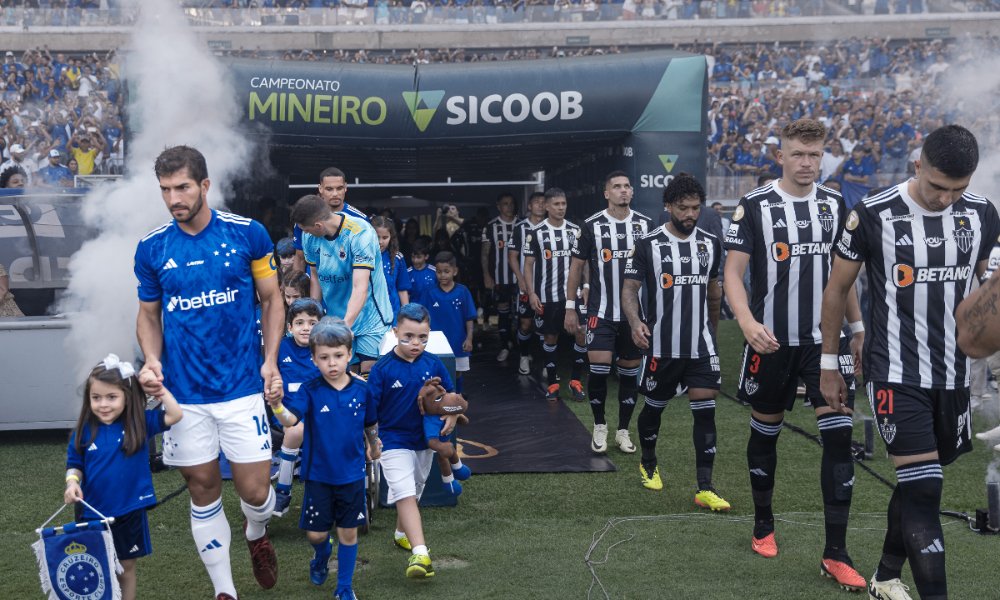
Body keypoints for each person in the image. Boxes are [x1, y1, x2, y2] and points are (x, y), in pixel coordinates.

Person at [821, 124, 1000, 600]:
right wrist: (828, 364)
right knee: (925, 491)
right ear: (917, 165)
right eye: (938, 186)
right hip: (895, 373)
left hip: (956, 376)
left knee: (919, 482)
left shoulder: (982, 214)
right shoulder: (873, 213)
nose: (946, 199)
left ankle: (884, 575)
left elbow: (989, 291)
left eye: (957, 189)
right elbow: (838, 290)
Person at [134, 145, 284, 600]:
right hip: (185, 396)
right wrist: (152, 359)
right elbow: (147, 315)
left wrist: (271, 360)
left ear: (204, 185)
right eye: (165, 190)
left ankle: (256, 531)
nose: (174, 198)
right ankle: (225, 591)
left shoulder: (248, 235)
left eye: (182, 187)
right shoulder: (152, 247)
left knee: (257, 492)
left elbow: (272, 299)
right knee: (202, 487)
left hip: (240, 389)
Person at [723, 119, 866, 590]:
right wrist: (746, 322)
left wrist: (856, 327)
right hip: (773, 342)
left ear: (822, 155)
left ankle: (836, 552)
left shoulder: (833, 203)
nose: (806, 163)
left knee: (841, 437)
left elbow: (841, 278)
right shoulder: (756, 205)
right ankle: (764, 523)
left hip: (825, 344)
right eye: (797, 154)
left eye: (814, 154)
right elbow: (733, 273)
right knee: (766, 431)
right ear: (780, 156)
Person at [623, 174, 731, 511]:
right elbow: (629, 290)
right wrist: (635, 321)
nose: (690, 214)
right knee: (655, 407)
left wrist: (711, 334)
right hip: (662, 345)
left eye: (695, 208)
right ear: (668, 206)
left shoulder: (711, 243)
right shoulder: (647, 244)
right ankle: (649, 462)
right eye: (683, 208)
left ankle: (705, 487)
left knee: (706, 411)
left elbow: (715, 292)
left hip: (700, 347)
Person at [267, 318, 379, 600]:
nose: (332, 363)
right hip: (318, 476)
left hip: (353, 476)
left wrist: (373, 444)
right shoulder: (310, 390)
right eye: (324, 358)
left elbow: (370, 424)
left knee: (349, 534)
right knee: (316, 535)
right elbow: (291, 420)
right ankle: (321, 554)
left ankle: (344, 588)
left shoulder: (363, 390)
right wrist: (277, 405)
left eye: (338, 356)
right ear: (314, 359)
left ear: (349, 355)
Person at [64, 355, 183, 600]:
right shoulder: (84, 430)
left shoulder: (140, 423)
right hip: (91, 513)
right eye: (96, 398)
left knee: (126, 567)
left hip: (130, 510)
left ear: (127, 397)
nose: (103, 404)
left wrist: (159, 391)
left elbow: (175, 414)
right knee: (96, 567)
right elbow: (74, 465)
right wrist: (72, 482)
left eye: (111, 397)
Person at [367, 303, 459, 579]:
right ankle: (420, 553)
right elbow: (369, 411)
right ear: (395, 332)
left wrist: (452, 418)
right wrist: (370, 442)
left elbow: (451, 399)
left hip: (425, 443)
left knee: (414, 491)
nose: (415, 343)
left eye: (422, 337)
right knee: (405, 493)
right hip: (391, 442)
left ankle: (400, 533)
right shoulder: (381, 369)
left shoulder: (433, 363)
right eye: (408, 336)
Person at [566, 171, 654, 454]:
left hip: (633, 318)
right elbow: (576, 267)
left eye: (627, 186)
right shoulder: (591, 225)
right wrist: (571, 308)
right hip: (600, 313)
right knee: (600, 372)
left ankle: (623, 430)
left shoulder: (645, 225)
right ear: (606, 193)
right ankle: (600, 425)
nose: (624, 191)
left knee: (629, 377)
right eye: (617, 187)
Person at [291, 194, 392, 376]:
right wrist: (313, 314)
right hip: (336, 316)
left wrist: (346, 325)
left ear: (318, 226)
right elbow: (315, 276)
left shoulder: (360, 232)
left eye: (305, 229)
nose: (303, 233)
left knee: (370, 373)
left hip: (370, 316)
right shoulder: (309, 238)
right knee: (344, 374)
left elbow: (360, 287)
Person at [522, 188, 586, 401]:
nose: (561, 208)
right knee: (551, 338)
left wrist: (585, 286)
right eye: (556, 204)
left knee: (581, 333)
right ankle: (552, 383)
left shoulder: (575, 230)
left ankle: (576, 381)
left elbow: (583, 261)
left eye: (563, 204)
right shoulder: (536, 232)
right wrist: (531, 293)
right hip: (547, 296)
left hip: (573, 295)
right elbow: (528, 265)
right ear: (547, 206)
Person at [272, 298, 324, 517]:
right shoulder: (280, 348)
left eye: (312, 323)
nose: (306, 328)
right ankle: (283, 491)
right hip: (287, 413)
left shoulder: (326, 349)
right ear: (290, 327)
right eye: (300, 323)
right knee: (295, 430)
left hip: (322, 414)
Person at [292, 167, 370, 272]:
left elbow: (367, 262)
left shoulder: (361, 220)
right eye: (329, 189)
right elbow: (300, 258)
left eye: (339, 188)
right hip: (314, 282)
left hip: (347, 285)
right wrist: (295, 285)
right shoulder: (305, 217)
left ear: (346, 188)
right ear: (320, 188)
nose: (335, 194)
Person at [425, 251, 477, 393]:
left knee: (457, 372)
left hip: (458, 340)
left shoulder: (463, 291)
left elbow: (469, 317)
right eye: (439, 272)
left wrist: (469, 338)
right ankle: (439, 401)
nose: (442, 275)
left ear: (455, 271)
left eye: (446, 271)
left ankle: (457, 398)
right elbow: (424, 317)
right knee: (436, 374)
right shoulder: (430, 292)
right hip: (436, 343)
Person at [508, 191, 547, 375]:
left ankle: (548, 363)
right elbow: (512, 257)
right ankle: (524, 356)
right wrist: (521, 278)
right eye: (536, 202)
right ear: (529, 206)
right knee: (525, 323)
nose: (540, 205)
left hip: (548, 285)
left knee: (546, 325)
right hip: (526, 285)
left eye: (543, 202)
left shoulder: (552, 227)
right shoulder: (520, 228)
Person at [481, 192, 519, 362]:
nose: (508, 207)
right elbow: (485, 254)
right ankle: (504, 346)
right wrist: (487, 276)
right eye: (505, 203)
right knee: (503, 313)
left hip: (521, 279)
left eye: (511, 203)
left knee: (521, 316)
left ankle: (521, 349)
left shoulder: (522, 224)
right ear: (498, 206)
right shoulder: (491, 226)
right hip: (500, 278)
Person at [372, 216, 411, 322]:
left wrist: (406, 316)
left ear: (391, 238)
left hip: (392, 313)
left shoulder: (397, 258)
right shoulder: (360, 256)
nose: (380, 241)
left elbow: (402, 290)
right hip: (367, 315)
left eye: (385, 238)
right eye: (376, 237)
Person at [407, 238, 437, 306]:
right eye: (413, 257)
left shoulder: (434, 272)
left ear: (426, 256)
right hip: (414, 311)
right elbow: (406, 295)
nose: (415, 260)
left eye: (418, 257)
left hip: (431, 310)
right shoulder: (407, 273)